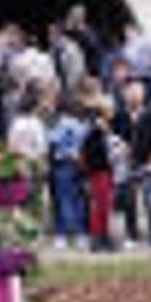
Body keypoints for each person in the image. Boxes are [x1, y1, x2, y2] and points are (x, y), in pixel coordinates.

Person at [113, 82, 151, 249]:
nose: (133, 96)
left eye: (137, 93)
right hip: (126, 163)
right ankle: (131, 235)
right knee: (129, 201)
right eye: (130, 93)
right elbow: (114, 137)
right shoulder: (120, 115)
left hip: (146, 161)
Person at [47, 97, 89, 250]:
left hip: (63, 162)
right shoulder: (81, 125)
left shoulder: (63, 123)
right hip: (79, 163)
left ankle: (62, 235)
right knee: (79, 199)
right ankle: (82, 234)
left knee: (63, 199)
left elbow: (52, 140)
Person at [81, 98, 115, 252]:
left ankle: (103, 236)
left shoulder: (99, 132)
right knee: (100, 206)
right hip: (99, 172)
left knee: (104, 206)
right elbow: (91, 153)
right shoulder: (95, 133)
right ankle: (98, 238)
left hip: (102, 171)